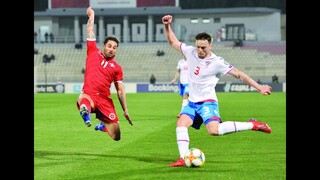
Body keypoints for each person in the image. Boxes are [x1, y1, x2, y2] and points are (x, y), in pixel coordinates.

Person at [162, 15, 272, 167]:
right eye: (198, 46)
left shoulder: (217, 62)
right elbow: (172, 41)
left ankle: (252, 125)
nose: (199, 50)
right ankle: (183, 158)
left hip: (207, 102)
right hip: (193, 102)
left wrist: (259, 87)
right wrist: (167, 26)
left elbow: (240, 75)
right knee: (181, 124)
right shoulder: (190, 52)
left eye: (203, 47)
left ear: (211, 45)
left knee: (214, 131)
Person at [76, 7, 133, 141]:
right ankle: (86, 114)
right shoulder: (93, 52)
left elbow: (120, 90)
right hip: (89, 95)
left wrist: (125, 110)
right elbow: (90, 31)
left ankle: (103, 126)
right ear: (104, 46)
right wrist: (92, 15)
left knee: (116, 136)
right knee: (83, 100)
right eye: (109, 46)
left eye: (114, 47)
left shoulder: (117, 68)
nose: (112, 49)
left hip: (104, 101)